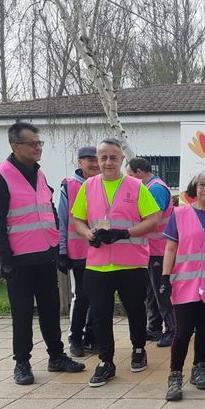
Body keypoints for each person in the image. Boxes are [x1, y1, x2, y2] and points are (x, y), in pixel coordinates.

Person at [0, 122, 85, 385]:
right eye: (33, 144)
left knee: (51, 309)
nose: (38, 148)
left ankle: (56, 356)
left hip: (44, 254)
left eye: (39, 143)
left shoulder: (39, 174)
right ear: (15, 146)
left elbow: (47, 209)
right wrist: (5, 259)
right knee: (22, 312)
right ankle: (22, 363)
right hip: (18, 260)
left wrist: (56, 247)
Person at [72, 138, 161, 387]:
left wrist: (125, 233)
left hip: (131, 263)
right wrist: (88, 234)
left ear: (122, 159)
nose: (108, 162)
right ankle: (106, 361)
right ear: (97, 160)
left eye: (113, 157)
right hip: (97, 264)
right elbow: (77, 220)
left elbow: (153, 219)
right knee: (100, 315)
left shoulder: (136, 186)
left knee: (135, 310)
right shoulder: (88, 186)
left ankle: (139, 348)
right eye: (103, 157)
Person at [162, 171, 205, 401]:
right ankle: (175, 375)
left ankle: (199, 369)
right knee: (183, 331)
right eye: (201, 185)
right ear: (194, 188)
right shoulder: (179, 214)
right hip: (184, 283)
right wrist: (164, 277)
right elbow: (170, 248)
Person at [126, 157, 176, 347]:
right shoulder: (151, 187)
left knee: (162, 291)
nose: (129, 179)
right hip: (152, 249)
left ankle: (172, 329)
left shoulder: (155, 189)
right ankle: (154, 327)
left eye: (130, 175)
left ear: (139, 172)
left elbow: (152, 218)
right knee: (152, 292)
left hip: (160, 249)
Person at [58, 146, 100, 357]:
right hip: (78, 253)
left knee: (99, 297)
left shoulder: (104, 184)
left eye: (96, 159)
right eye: (88, 160)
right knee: (81, 297)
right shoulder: (70, 186)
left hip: (102, 253)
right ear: (79, 162)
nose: (94, 164)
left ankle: (92, 337)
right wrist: (62, 251)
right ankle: (75, 338)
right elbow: (63, 219)